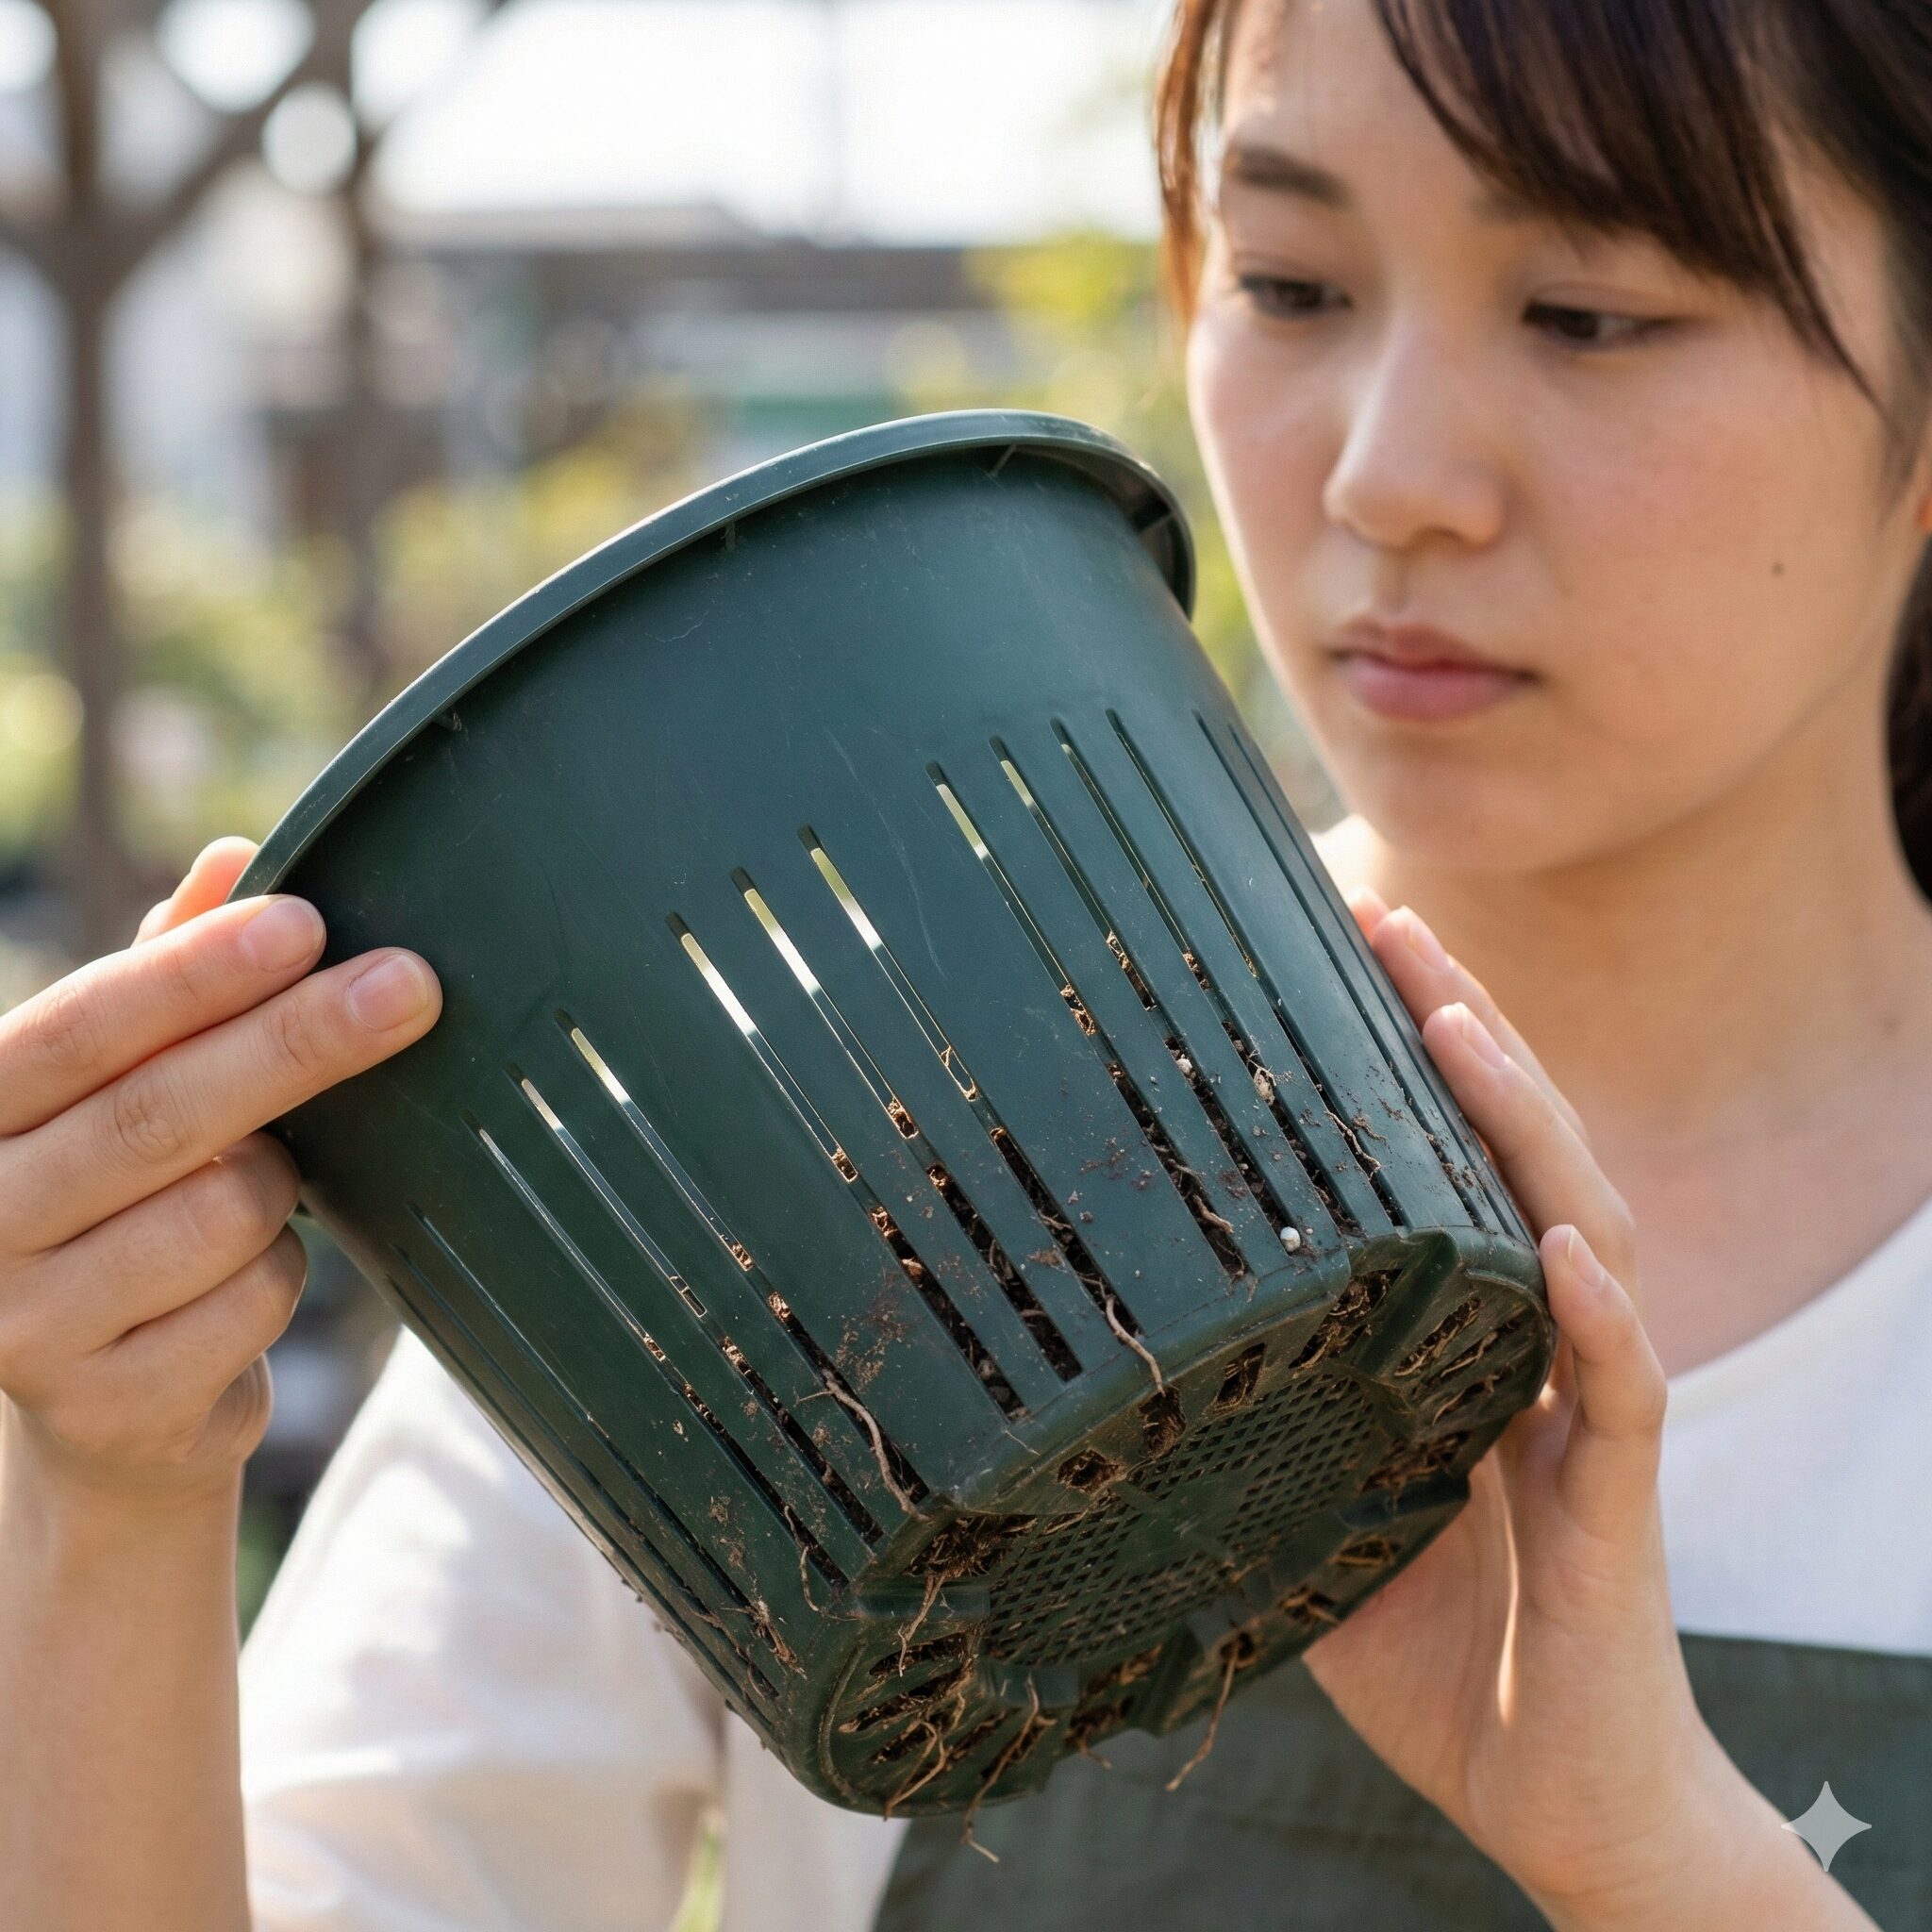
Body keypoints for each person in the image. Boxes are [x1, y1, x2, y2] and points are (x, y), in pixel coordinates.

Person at [5, 0, 1931, 1921]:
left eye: (1588, 313)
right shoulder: (763, 1170)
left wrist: (1654, 1851)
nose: (1387, 473)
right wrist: (114, 1493)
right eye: (1288, 281)